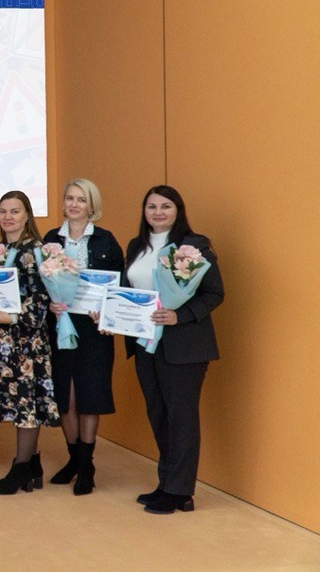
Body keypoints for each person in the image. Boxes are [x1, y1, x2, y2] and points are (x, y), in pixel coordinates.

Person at [122, 185, 223, 515]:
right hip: (144, 343)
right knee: (159, 414)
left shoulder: (194, 246)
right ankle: (168, 484)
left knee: (181, 417)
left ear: (178, 210)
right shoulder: (136, 246)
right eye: (151, 206)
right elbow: (126, 292)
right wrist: (110, 314)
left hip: (184, 346)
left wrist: (180, 315)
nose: (158, 212)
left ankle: (180, 490)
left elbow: (214, 293)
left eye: (166, 206)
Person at [43, 178, 125, 495]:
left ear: (92, 206)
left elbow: (118, 285)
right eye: (69, 198)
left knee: (89, 396)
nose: (74, 204)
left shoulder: (106, 240)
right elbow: (40, 283)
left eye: (81, 199)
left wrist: (106, 311)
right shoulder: (51, 240)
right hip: (60, 325)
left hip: (94, 330)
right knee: (66, 397)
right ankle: (74, 459)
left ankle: (86, 465)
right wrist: (49, 303)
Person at [0, 190, 59, 495]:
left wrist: (12, 317)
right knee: (17, 403)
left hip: (27, 341)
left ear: (27, 215)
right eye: (3, 211)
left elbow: (42, 299)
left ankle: (21, 467)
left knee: (26, 403)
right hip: (3, 339)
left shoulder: (35, 250)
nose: (8, 217)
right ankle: (32, 465)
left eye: (15, 211)